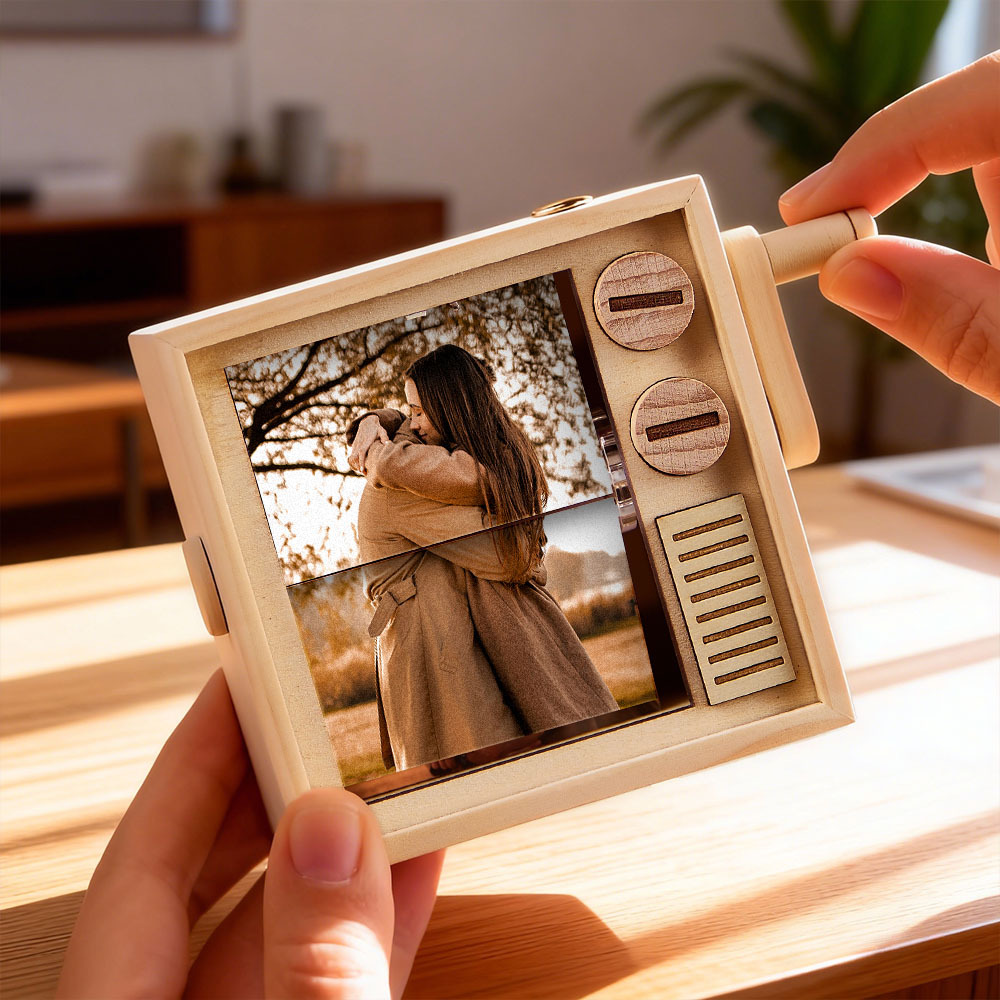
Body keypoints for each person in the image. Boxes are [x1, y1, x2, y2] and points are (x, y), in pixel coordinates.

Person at [59, 53, 998, 999]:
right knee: (526, 724)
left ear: (443, 407)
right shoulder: (508, 461)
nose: (406, 422)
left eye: (417, 409)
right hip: (500, 617)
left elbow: (403, 481)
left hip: (437, 630)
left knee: (456, 745)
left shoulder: (424, 475)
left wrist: (379, 441)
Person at [347, 344, 617, 771]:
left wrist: (380, 421)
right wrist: (381, 439)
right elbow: (510, 557)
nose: (414, 425)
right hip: (436, 657)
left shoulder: (444, 468)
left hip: (469, 638)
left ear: (451, 407)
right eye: (408, 412)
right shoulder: (400, 484)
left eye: (419, 412)